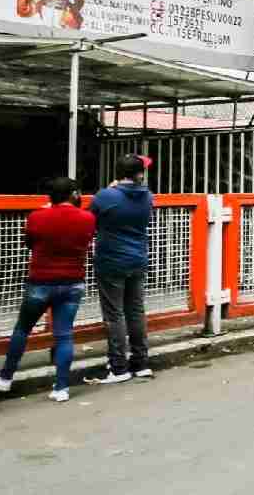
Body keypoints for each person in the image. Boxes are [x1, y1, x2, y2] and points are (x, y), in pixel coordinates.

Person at [0, 177, 95, 402]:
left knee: (22, 329)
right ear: (74, 194)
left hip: (41, 281)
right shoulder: (88, 218)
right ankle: (61, 388)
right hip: (72, 281)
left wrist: (47, 212)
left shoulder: (37, 217)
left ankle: (5, 378)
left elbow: (30, 243)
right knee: (64, 335)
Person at [91, 153, 155, 383]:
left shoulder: (105, 196)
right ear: (140, 174)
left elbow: (92, 220)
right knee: (136, 311)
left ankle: (119, 366)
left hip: (111, 260)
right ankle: (141, 362)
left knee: (114, 314)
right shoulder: (148, 196)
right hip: (137, 259)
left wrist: (110, 190)